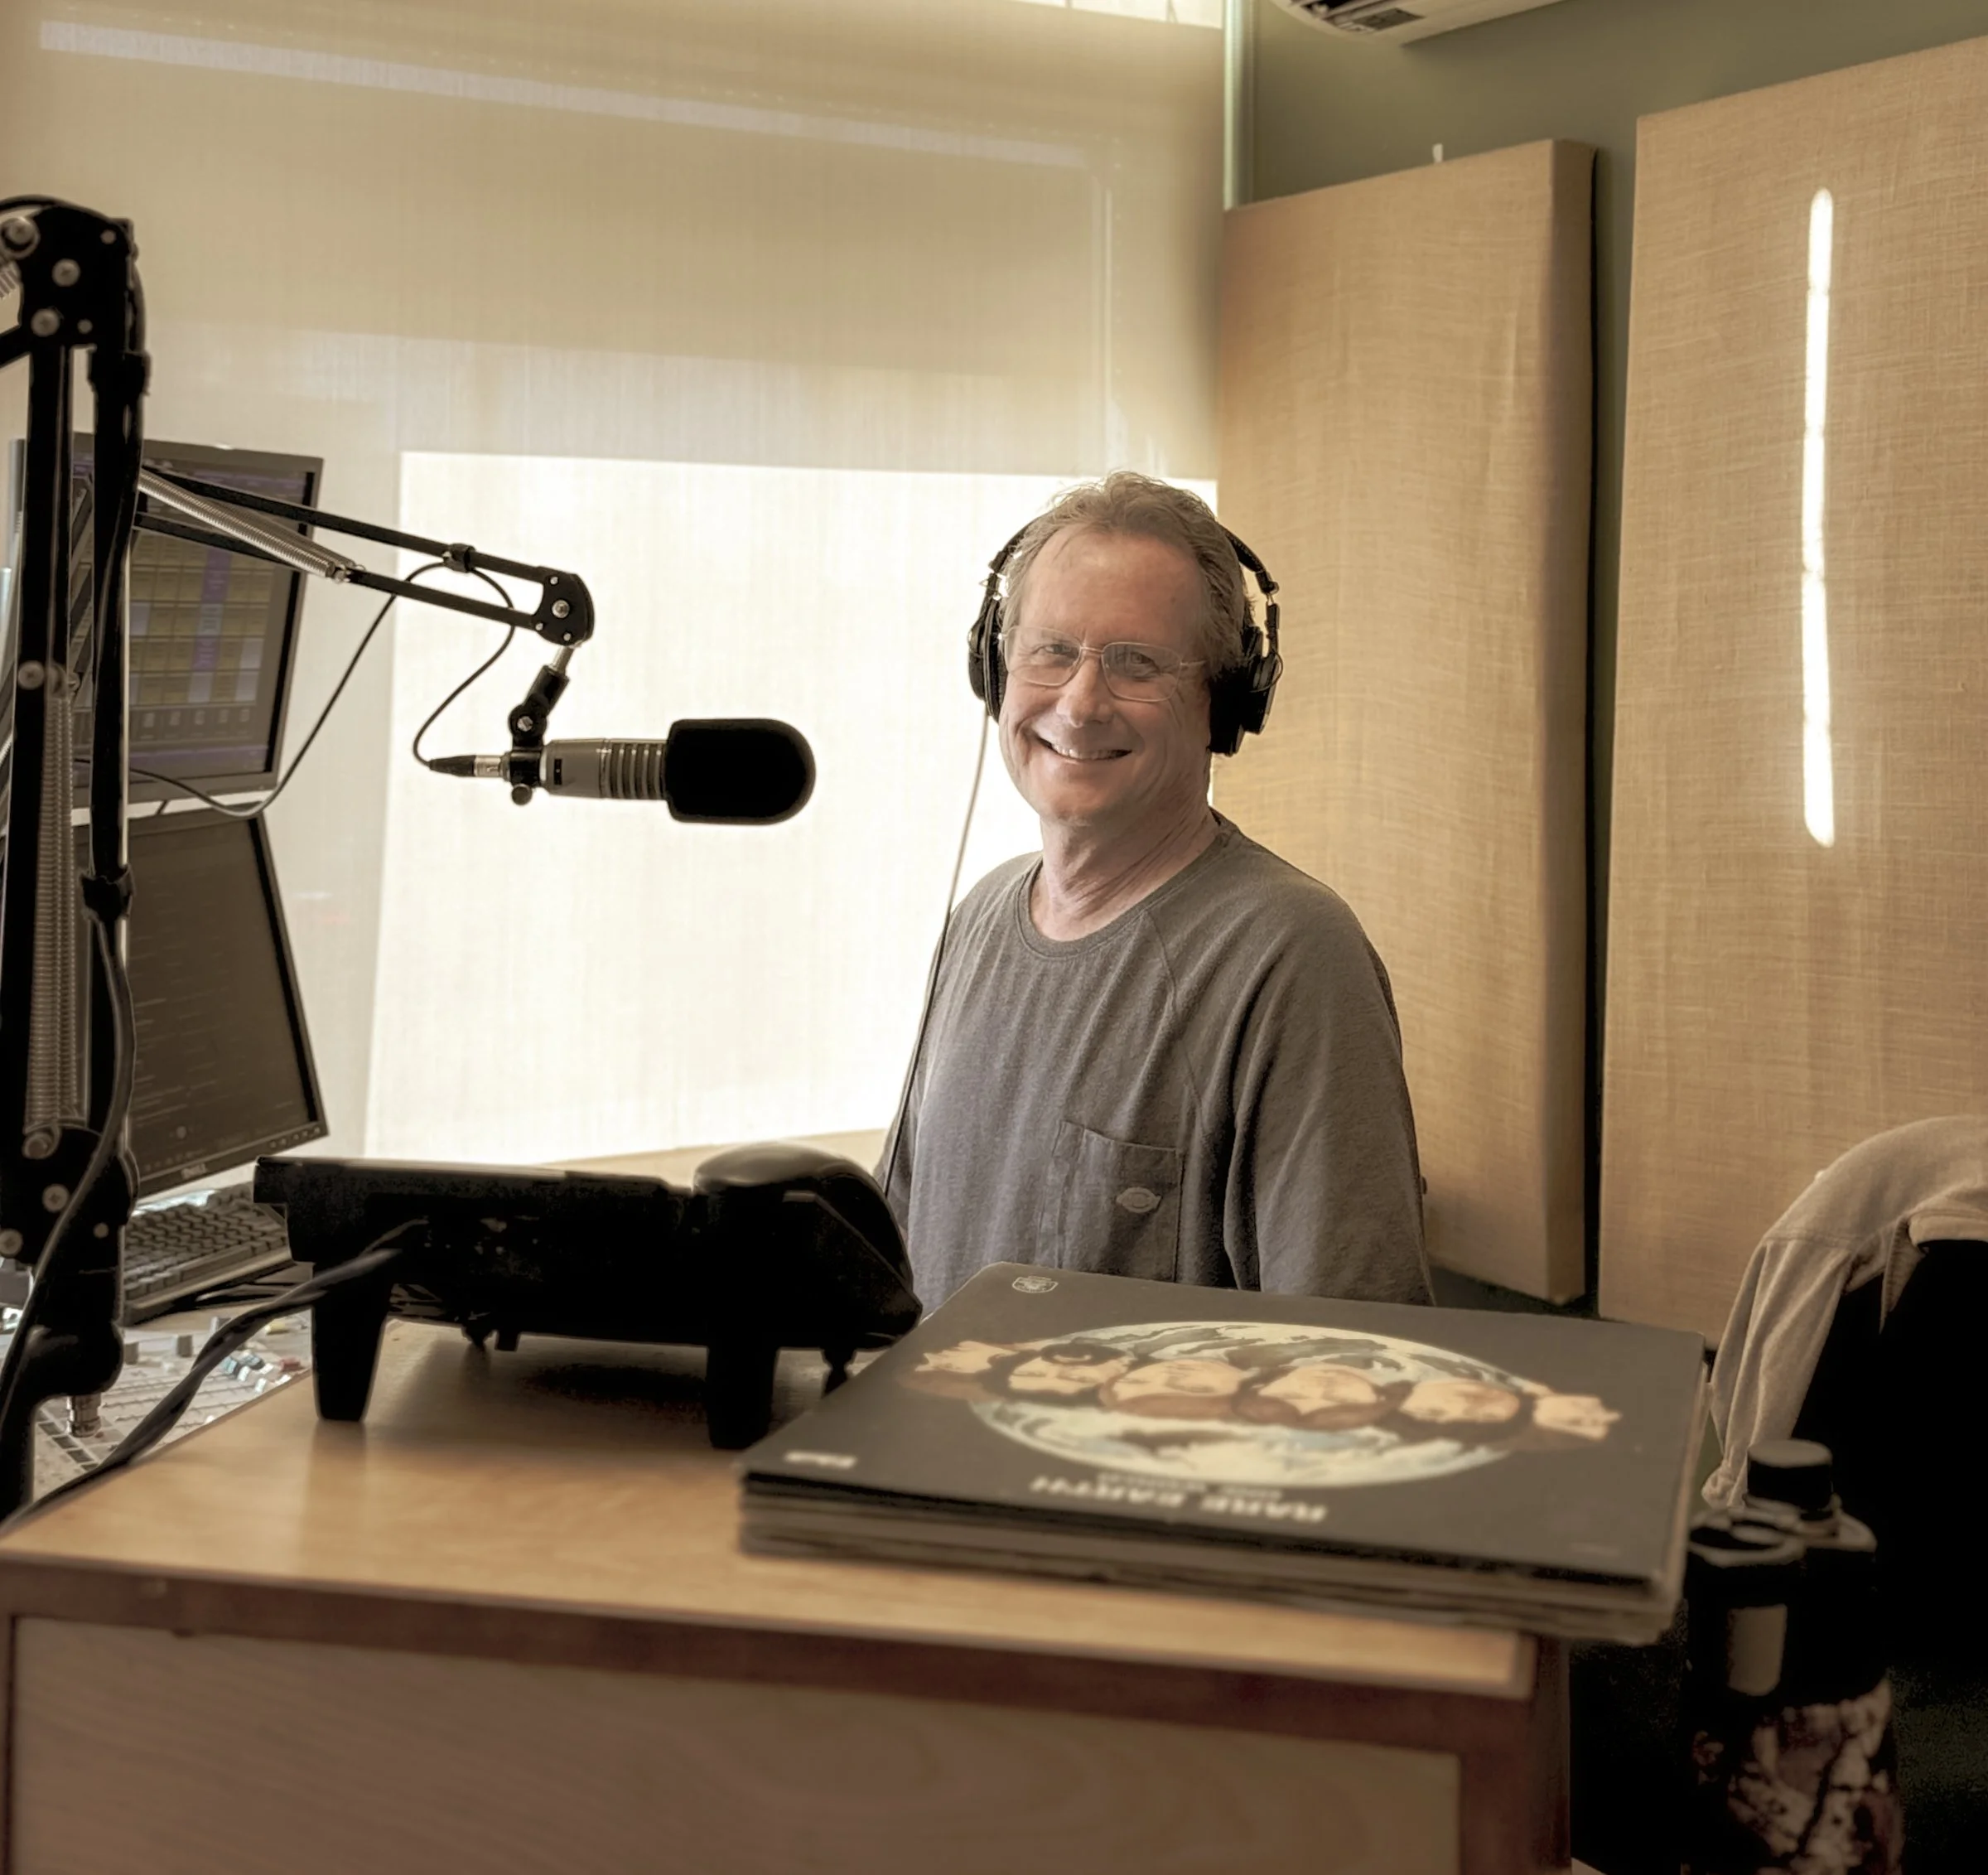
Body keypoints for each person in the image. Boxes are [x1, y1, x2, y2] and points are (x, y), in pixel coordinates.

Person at [881, 471, 1430, 1308]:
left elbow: (1352, 1363)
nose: (1080, 702)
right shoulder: (979, 921)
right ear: (993, 669)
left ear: (1222, 702)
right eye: (1051, 650)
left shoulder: (1293, 958)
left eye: (1136, 662)